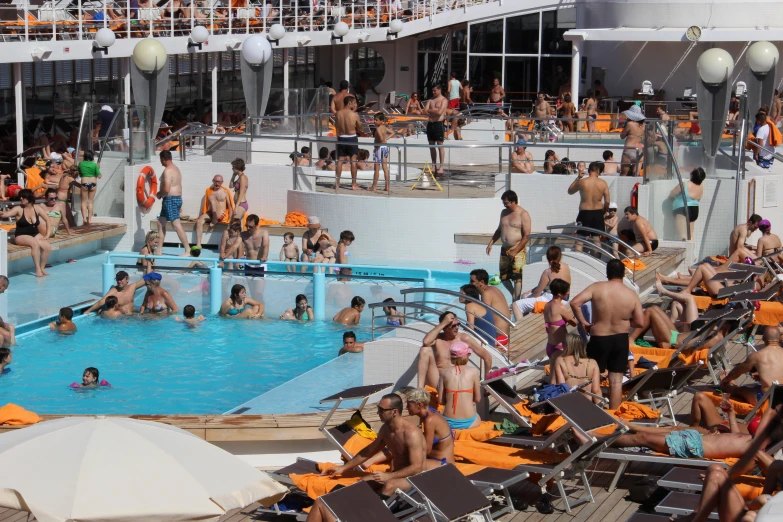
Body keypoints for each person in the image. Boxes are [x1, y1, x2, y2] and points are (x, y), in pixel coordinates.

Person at [317, 393, 425, 500]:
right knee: (362, 482)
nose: (378, 412)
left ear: (394, 412)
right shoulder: (386, 430)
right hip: (396, 474)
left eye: (382, 410)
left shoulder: (411, 433)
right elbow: (368, 451)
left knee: (389, 485)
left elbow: (417, 467)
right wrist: (343, 468)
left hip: (414, 479)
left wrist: (388, 476)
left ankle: (376, 515)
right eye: (378, 408)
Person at [570, 259, 645, 409]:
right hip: (620, 338)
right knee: (616, 381)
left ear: (607, 273)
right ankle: (614, 415)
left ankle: (588, 410)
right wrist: (624, 322)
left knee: (590, 376)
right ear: (623, 274)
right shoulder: (631, 294)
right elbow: (640, 322)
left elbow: (574, 303)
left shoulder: (597, 288)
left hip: (599, 338)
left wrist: (584, 322)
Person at [417, 311, 493, 389]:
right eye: (453, 325)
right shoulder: (438, 338)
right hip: (439, 382)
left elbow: (487, 357)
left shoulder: (464, 338)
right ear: (444, 327)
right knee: (425, 350)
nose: (457, 328)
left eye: (458, 324)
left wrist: (488, 383)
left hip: (456, 381)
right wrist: (443, 323)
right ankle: (419, 390)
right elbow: (426, 342)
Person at [719, 326, 783, 406]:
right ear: (780, 338)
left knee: (742, 390)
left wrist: (726, 379)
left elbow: (738, 371)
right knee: (758, 386)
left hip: (767, 400)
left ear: (763, 338)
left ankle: (728, 387)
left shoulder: (757, 356)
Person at [486, 190, 531, 302]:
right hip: (505, 249)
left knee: (517, 278)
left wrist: (515, 250)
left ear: (513, 201)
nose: (504, 205)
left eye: (506, 202)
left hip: (518, 249)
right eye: (503, 203)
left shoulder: (523, 214)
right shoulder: (504, 213)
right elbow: (499, 229)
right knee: (504, 277)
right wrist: (491, 242)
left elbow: (527, 236)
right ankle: (514, 296)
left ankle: (515, 301)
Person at [0, 189, 51, 277]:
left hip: (34, 234)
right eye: (20, 197)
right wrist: (1, 213)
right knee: (35, 244)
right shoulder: (18, 209)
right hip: (21, 235)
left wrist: (47, 234)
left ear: (29, 198)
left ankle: (42, 267)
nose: (21, 199)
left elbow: (47, 220)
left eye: (23, 197)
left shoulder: (37, 208)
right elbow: (6, 214)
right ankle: (37, 269)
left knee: (47, 247)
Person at [512, 245, 572, 319]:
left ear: (547, 257)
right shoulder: (566, 267)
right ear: (560, 256)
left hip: (551, 300)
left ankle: (520, 327)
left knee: (516, 305)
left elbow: (537, 293)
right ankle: (526, 320)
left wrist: (527, 297)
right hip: (565, 299)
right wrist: (531, 290)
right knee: (526, 298)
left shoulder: (547, 272)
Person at [405, 388, 454, 467]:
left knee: (403, 462)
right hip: (438, 460)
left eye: (409, 405)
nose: (407, 408)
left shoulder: (430, 420)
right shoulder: (430, 411)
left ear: (419, 405)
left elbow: (427, 450)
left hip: (443, 463)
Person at [438, 342, 481, 430]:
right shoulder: (474, 371)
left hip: (449, 421)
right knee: (473, 405)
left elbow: (441, 401)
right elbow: (477, 399)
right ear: (465, 356)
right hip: (470, 421)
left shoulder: (444, 372)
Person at [568, 161, 610, 249]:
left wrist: (578, 177)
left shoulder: (582, 182)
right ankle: (597, 260)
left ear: (589, 170)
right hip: (598, 212)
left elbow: (570, 191)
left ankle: (577, 261)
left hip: (584, 212)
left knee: (580, 239)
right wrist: (604, 211)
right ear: (598, 170)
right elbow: (607, 202)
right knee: (596, 239)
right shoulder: (603, 183)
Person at [156, 150, 191, 255]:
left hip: (170, 199)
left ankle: (188, 250)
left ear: (162, 159)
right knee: (160, 222)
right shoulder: (175, 168)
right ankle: (159, 249)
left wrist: (159, 194)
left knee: (176, 225)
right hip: (173, 199)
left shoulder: (168, 171)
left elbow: (166, 189)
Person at [553, 332, 602, 403]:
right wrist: (600, 409)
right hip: (588, 405)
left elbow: (561, 387)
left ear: (567, 345)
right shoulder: (592, 363)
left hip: (570, 405)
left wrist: (557, 411)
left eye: (563, 343)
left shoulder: (560, 360)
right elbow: (596, 390)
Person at [543, 279, 577, 378]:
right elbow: (574, 323)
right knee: (564, 377)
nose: (568, 293)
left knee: (553, 377)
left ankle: (551, 392)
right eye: (566, 291)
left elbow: (554, 322)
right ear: (559, 294)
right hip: (560, 347)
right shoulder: (560, 307)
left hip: (550, 346)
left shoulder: (547, 305)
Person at [469, 268, 511, 346]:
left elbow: (484, 318)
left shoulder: (486, 294)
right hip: (505, 335)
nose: (469, 283)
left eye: (472, 281)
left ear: (481, 282)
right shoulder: (495, 289)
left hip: (498, 337)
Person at [194, 175, 235, 249]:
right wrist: (200, 216)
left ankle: (214, 219)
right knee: (199, 221)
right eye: (215, 181)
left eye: (219, 182)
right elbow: (204, 206)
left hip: (220, 214)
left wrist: (230, 218)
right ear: (213, 181)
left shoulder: (224, 192)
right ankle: (198, 244)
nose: (217, 183)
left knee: (211, 197)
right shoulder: (209, 191)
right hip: (211, 213)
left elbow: (230, 206)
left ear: (222, 182)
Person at [335, 95, 364, 192]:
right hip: (351, 138)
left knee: (340, 160)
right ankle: (354, 184)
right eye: (354, 103)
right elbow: (360, 128)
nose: (355, 104)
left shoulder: (338, 114)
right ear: (349, 103)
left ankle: (337, 184)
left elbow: (337, 126)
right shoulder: (354, 115)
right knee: (353, 161)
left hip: (341, 138)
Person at [671, 167, 706, 241]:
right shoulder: (701, 187)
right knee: (690, 236)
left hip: (683, 210)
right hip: (694, 211)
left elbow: (672, 193)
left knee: (682, 236)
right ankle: (691, 251)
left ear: (692, 175)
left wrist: (672, 199)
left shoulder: (685, 184)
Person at [425, 84, 448, 176]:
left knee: (440, 145)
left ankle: (441, 166)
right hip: (430, 124)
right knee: (431, 146)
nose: (433, 92)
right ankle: (433, 165)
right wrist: (434, 110)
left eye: (435, 91)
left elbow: (439, 113)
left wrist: (431, 110)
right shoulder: (430, 100)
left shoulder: (444, 100)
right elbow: (424, 111)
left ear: (439, 90)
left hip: (438, 124)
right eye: (433, 91)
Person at [370, 113, 394, 193]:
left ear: (381, 121)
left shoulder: (378, 129)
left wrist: (381, 141)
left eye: (376, 120)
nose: (374, 121)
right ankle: (387, 186)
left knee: (376, 168)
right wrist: (386, 139)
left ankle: (374, 186)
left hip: (379, 148)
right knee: (385, 168)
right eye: (374, 120)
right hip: (385, 148)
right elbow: (393, 133)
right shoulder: (384, 128)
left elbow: (380, 138)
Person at [620, 105, 645, 176]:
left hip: (629, 149)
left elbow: (622, 136)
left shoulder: (630, 124)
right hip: (639, 150)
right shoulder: (644, 125)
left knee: (623, 174)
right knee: (636, 175)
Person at [77, 150, 101, 226]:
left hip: (84, 183)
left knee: (83, 202)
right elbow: (99, 176)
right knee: (90, 202)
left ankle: (84, 219)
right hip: (93, 183)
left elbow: (80, 175)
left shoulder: (80, 164)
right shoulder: (94, 165)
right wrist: (98, 168)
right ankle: (89, 220)